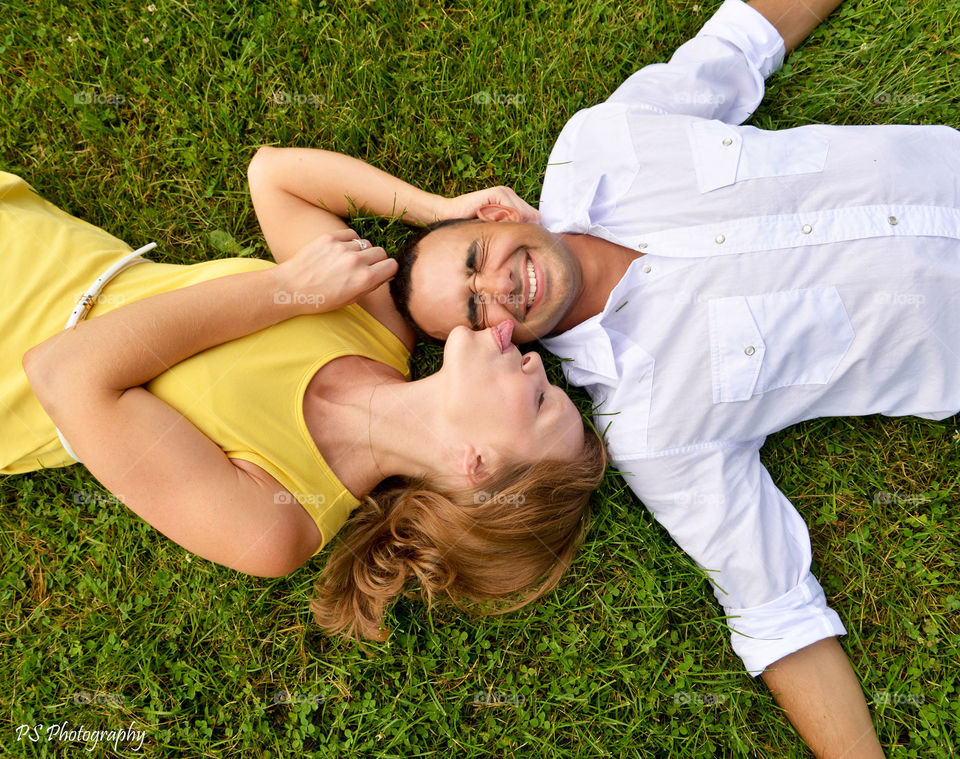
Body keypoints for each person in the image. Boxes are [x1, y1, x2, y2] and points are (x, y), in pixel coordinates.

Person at [274, 1, 960, 754]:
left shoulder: (602, 144)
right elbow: (776, 610)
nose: (497, 290)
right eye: (475, 314)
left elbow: (745, 39)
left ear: (500, 213)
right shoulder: (653, 426)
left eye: (476, 258)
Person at [1, 165, 607, 644]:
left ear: (474, 465)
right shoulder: (375, 329)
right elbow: (276, 176)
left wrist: (281, 292)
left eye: (539, 401)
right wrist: (441, 212)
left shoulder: (278, 523)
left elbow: (65, 371)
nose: (537, 363)